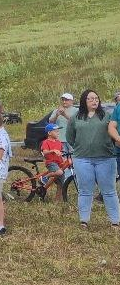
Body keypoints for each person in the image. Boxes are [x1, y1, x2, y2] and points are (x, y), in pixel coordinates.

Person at [66, 90, 120, 229]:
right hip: (82, 159)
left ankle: (115, 221)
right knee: (85, 190)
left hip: (106, 158)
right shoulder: (76, 117)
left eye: (96, 98)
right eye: (90, 99)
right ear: (84, 101)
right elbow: (70, 137)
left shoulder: (107, 116)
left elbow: (114, 132)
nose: (94, 101)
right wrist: (80, 147)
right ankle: (84, 220)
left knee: (109, 190)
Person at [38, 123, 65, 201]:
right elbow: (45, 152)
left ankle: (57, 201)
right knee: (59, 173)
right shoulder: (46, 142)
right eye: (56, 131)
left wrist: (63, 156)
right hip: (51, 162)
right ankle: (44, 177)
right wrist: (52, 150)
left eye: (58, 131)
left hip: (59, 163)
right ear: (49, 133)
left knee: (61, 184)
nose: (58, 133)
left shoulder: (59, 142)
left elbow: (61, 152)